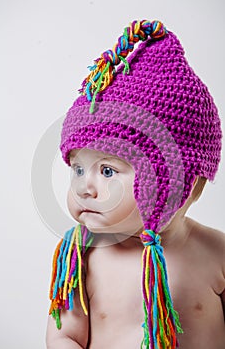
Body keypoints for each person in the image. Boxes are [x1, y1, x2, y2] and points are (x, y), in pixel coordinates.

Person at [46, 19, 225, 349]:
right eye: (78, 169)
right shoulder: (85, 256)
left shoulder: (216, 253)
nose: (86, 187)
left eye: (109, 171)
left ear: (185, 185)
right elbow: (64, 334)